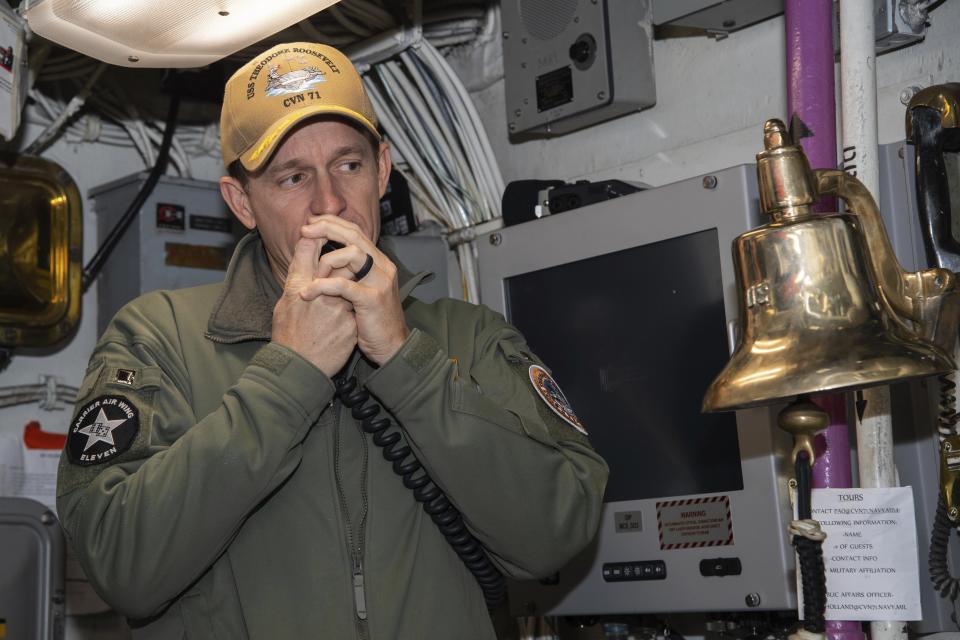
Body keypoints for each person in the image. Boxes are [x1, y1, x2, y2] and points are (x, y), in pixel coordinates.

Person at [56, 42, 608, 639]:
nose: (329, 202)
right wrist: (287, 374)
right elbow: (118, 564)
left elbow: (556, 533)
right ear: (241, 201)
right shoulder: (157, 338)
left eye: (348, 165)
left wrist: (407, 361)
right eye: (292, 177)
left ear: (384, 170)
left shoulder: (468, 338)